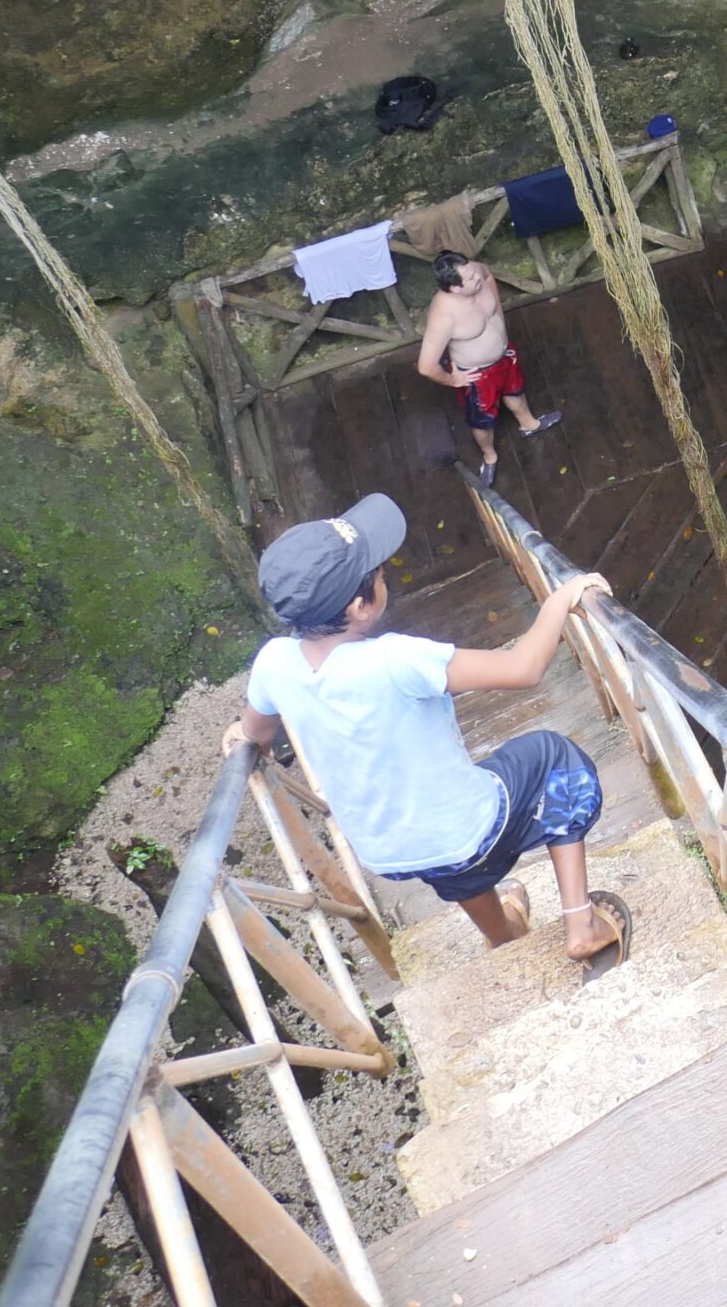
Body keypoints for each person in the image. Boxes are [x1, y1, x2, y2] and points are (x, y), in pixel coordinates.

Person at [222, 494, 630, 969]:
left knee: (442, 840)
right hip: (473, 831)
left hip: (392, 854)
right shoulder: (395, 659)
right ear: (360, 607)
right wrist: (562, 597)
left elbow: (256, 732)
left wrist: (243, 737)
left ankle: (502, 934)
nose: (384, 574)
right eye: (378, 573)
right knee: (553, 754)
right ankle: (581, 923)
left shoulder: (273, 662)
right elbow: (524, 668)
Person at [418, 251, 561, 487]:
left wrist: (498, 315)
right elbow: (425, 366)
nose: (476, 277)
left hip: (504, 355)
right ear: (454, 288)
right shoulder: (444, 316)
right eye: (470, 279)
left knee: (516, 392)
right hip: (477, 373)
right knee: (482, 420)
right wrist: (453, 379)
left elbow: (488, 275)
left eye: (474, 272)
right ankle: (489, 456)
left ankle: (529, 424)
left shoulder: (474, 270)